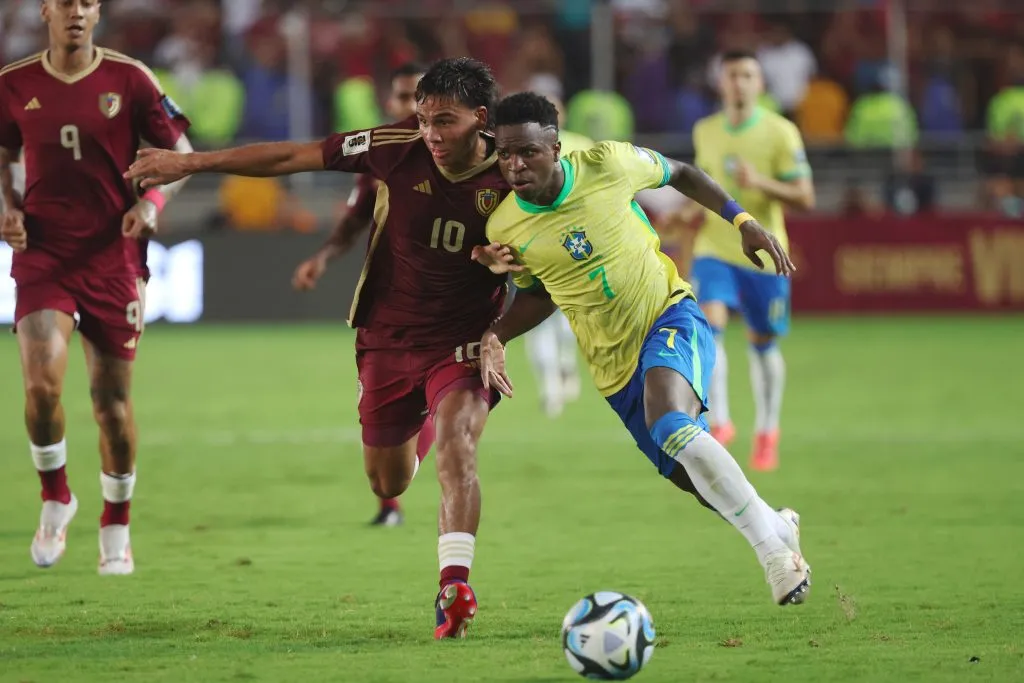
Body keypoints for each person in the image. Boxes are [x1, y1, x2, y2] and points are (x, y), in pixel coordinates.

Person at [125, 57, 509, 639]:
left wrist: (506, 309)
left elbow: (555, 249)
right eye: (424, 118)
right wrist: (190, 163)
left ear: (481, 119)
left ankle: (453, 586)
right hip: (387, 335)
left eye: (445, 122)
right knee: (389, 483)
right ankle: (423, 421)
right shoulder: (393, 146)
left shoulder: (515, 171)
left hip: (464, 340)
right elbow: (290, 157)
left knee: (459, 448)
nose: (430, 133)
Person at [476, 92, 811, 606]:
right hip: (612, 368)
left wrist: (743, 221)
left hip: (668, 313)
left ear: (556, 146)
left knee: (672, 422)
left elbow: (680, 172)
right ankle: (774, 523)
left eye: (528, 152)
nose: (515, 166)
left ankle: (773, 556)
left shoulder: (608, 163)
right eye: (505, 155)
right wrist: (496, 334)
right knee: (691, 477)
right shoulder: (505, 226)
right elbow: (542, 292)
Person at [0, 0, 193, 575]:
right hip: (45, 253)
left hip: (113, 256)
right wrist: (6, 206)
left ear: (98, 11)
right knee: (41, 385)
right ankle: (56, 495)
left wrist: (151, 202)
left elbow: (179, 154)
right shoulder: (14, 83)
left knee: (110, 406)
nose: (76, 12)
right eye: (65, 3)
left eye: (87, 2)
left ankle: (116, 522)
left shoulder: (130, 79)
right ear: (45, 11)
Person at [292, 62, 429, 528]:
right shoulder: (382, 154)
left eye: (418, 97)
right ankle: (392, 496)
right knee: (384, 418)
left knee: (443, 400)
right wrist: (324, 257)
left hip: (447, 307)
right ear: (390, 102)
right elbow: (354, 219)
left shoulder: (459, 154)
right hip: (389, 307)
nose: (409, 106)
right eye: (402, 97)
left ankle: (433, 523)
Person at [683, 50, 815, 471]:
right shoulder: (705, 130)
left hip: (764, 253)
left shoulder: (780, 132)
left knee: (763, 346)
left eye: (747, 75)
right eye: (731, 75)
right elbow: (706, 190)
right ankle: (720, 421)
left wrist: (760, 183)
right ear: (720, 83)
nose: (738, 83)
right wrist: (681, 215)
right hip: (713, 249)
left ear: (759, 83)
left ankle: (767, 430)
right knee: (708, 328)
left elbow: (806, 197)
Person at [519, 92, 592, 418]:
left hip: (577, 244)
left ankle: (565, 364)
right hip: (535, 242)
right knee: (536, 320)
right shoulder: (517, 152)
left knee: (567, 320)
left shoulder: (582, 144)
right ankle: (550, 386)